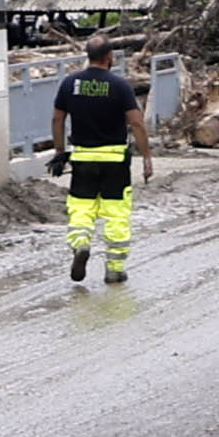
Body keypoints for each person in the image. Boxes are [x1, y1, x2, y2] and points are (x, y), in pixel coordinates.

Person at [53, 39, 149, 287]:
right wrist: (147, 156)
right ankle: (114, 269)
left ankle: (81, 244)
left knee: (81, 210)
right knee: (116, 215)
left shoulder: (70, 83)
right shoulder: (120, 86)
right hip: (115, 161)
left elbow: (57, 118)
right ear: (109, 56)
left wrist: (60, 152)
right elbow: (137, 123)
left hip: (83, 159)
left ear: (88, 55)